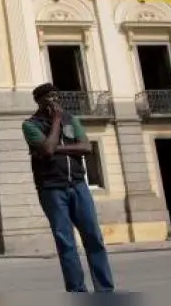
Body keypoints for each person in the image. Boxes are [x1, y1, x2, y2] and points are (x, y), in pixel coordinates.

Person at [23, 83, 115, 293]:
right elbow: (47, 150)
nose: (55, 101)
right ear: (39, 101)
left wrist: (57, 147)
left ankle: (105, 290)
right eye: (49, 97)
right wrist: (56, 121)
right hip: (52, 189)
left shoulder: (71, 120)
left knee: (94, 238)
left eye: (57, 96)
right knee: (66, 243)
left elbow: (86, 147)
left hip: (78, 185)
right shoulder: (30, 125)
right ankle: (77, 291)